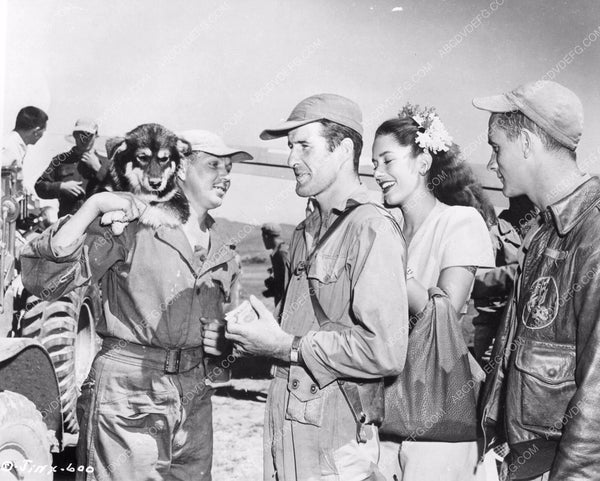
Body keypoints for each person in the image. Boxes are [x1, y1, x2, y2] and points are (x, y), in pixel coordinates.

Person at [20, 126, 252, 481]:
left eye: (229, 169)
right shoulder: (128, 225)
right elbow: (44, 280)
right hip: (128, 394)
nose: (226, 177)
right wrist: (92, 207)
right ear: (182, 167)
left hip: (193, 400)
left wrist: (225, 343)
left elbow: (223, 335)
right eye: (214, 165)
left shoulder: (225, 246)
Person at [226, 93, 409, 480]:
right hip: (287, 427)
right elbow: (298, 329)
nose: (291, 159)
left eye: (304, 146)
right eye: (290, 147)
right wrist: (254, 335)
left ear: (343, 150)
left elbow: (385, 350)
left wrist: (283, 345)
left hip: (337, 440)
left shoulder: (370, 227)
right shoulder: (307, 229)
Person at [475, 80, 600, 480]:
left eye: (497, 147)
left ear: (527, 143)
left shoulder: (593, 237)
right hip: (524, 463)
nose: (492, 163)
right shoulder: (544, 234)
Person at [372, 105, 495, 481]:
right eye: (374, 163)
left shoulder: (459, 221)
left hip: (438, 407)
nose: (377, 174)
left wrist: (388, 263)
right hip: (382, 407)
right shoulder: (384, 227)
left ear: (423, 162)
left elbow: (442, 313)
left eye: (387, 161)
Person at [471, 195, 536, 369]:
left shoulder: (541, 231)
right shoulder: (494, 231)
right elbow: (473, 281)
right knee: (488, 384)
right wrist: (518, 273)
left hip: (523, 326)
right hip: (494, 326)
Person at [35, 118, 110, 217]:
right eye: (81, 134)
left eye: (89, 135)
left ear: (96, 136)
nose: (84, 139)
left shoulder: (106, 163)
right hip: (67, 222)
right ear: (74, 135)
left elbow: (119, 191)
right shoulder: (60, 160)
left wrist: (98, 169)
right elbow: (39, 186)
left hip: (95, 225)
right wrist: (61, 187)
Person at [260, 222, 290, 307]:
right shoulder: (280, 251)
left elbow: (288, 280)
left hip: (286, 303)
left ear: (265, 236)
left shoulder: (282, 252)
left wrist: (274, 288)